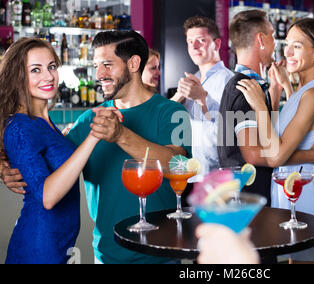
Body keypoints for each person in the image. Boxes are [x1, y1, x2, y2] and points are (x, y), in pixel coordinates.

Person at [2, 31, 192, 264]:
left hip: (161, 253)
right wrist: (4, 168)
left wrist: (121, 135)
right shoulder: (87, 120)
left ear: (133, 63)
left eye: (107, 65)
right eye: (95, 66)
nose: (99, 74)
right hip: (107, 254)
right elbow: (47, 154)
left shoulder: (174, 113)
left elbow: (179, 165)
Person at [237, 17, 314, 263]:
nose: (288, 51)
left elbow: (275, 156)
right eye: (288, 44)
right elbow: (277, 140)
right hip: (289, 190)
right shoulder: (301, 93)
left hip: (304, 192)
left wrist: (259, 107)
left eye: (298, 45)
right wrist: (282, 88)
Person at [0, 38, 100, 263]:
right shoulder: (20, 126)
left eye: (52, 67)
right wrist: (93, 137)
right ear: (18, 77)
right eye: (35, 70)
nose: (48, 76)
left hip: (59, 244)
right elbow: (47, 197)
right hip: (38, 248)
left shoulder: (45, 122)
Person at [218, 10, 314, 206]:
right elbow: (254, 154)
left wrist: (275, 94)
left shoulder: (249, 86)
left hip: (249, 195)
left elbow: (268, 135)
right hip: (249, 199)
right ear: (261, 40)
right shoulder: (246, 89)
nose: (276, 43)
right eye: (272, 35)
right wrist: (311, 155)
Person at [170, 16, 234, 180]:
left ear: (217, 44)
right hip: (190, 175)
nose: (194, 46)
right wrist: (177, 100)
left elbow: (228, 135)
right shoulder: (192, 79)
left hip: (215, 177)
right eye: (190, 41)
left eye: (201, 40)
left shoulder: (229, 81)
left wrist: (203, 100)